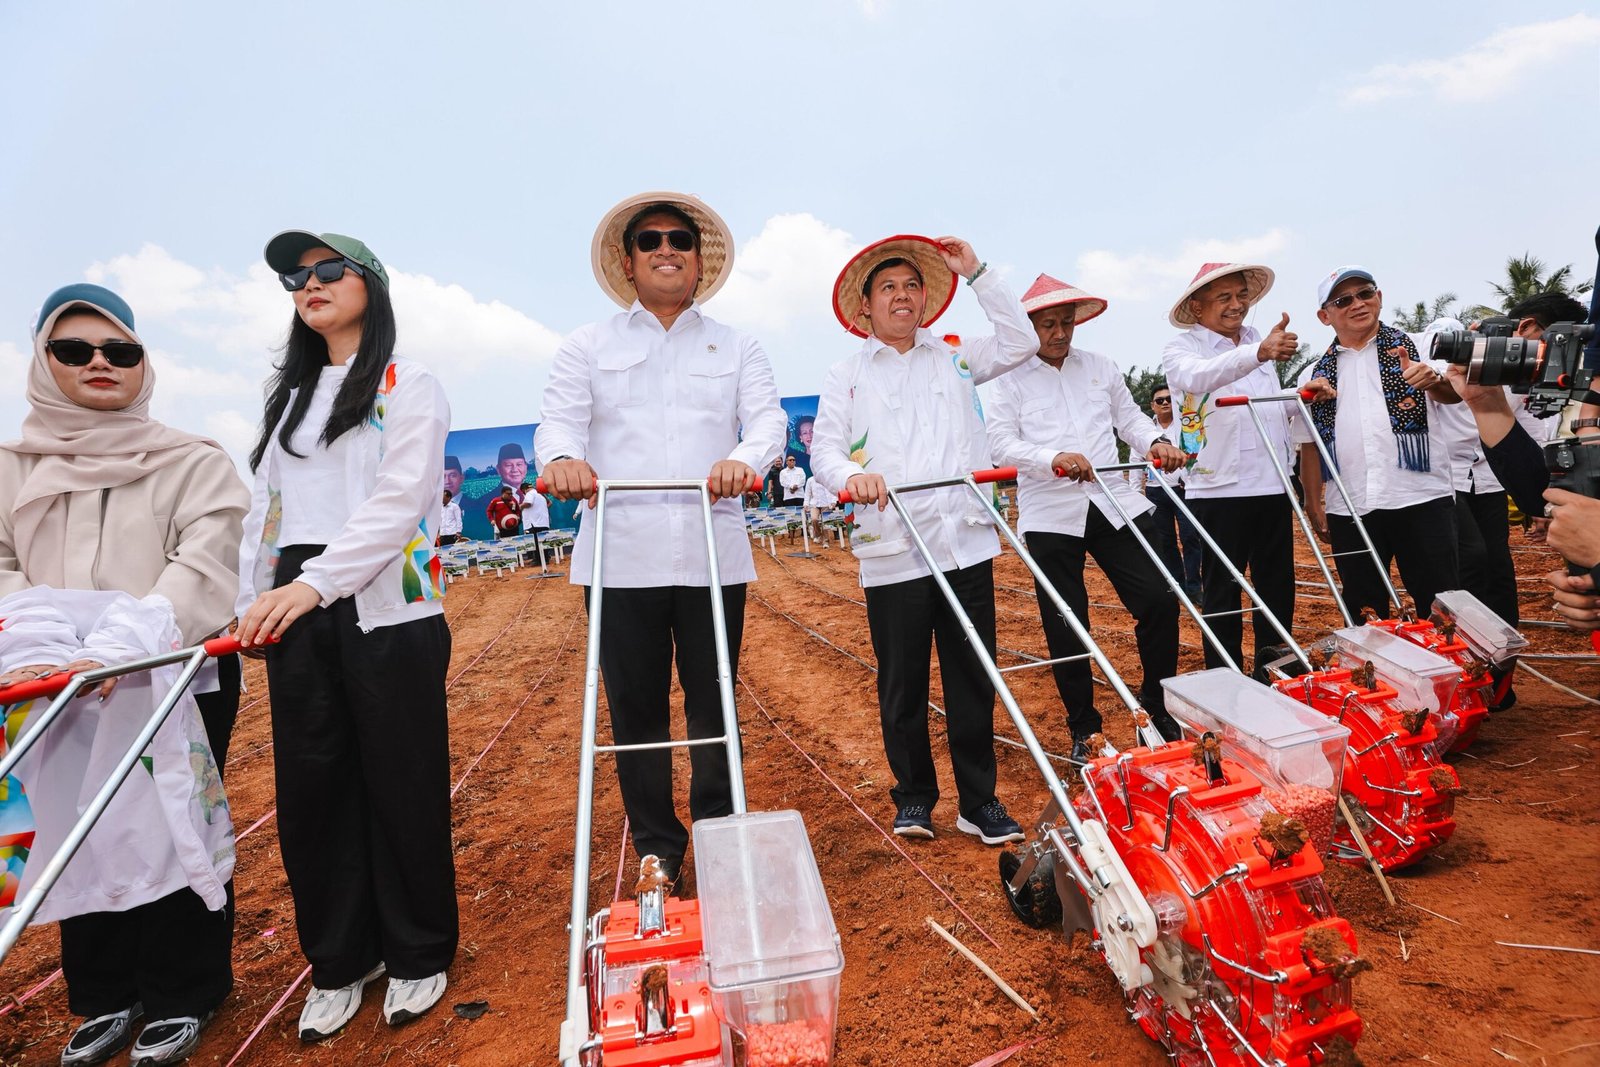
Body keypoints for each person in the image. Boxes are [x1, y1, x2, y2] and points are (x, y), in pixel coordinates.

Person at [0, 283, 249, 1066]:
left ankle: (186, 987)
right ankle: (105, 992)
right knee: (80, 824)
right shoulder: (10, 468)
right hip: (47, 679)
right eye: (74, 350)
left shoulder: (191, 459)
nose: (100, 363)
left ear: (144, 364)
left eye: (120, 351)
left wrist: (121, 646)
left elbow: (203, 565)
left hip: (165, 664)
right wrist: (33, 646)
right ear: (45, 363)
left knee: (170, 817)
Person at [236, 229, 456, 1041]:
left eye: (331, 269)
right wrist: (251, 599)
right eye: (298, 275)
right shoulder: (286, 394)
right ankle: (339, 961)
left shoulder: (409, 381)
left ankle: (419, 950)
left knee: (401, 779)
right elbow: (267, 508)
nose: (311, 283)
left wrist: (314, 582)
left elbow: (402, 502)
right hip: (297, 607)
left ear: (372, 282)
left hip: (385, 603)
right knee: (313, 788)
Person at [537, 192, 785, 887]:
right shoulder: (586, 345)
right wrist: (562, 458)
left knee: (714, 702)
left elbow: (767, 423)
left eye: (680, 238)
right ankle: (658, 848)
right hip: (620, 556)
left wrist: (748, 458)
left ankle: (721, 834)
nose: (666, 249)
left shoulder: (738, 345)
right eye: (651, 240)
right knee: (636, 713)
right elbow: (558, 422)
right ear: (628, 259)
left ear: (700, 259)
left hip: (713, 552)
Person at [812, 234, 1034, 845]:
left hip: (962, 540)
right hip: (892, 548)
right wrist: (852, 476)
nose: (902, 296)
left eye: (912, 285)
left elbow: (1023, 340)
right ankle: (914, 798)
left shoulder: (957, 356)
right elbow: (824, 449)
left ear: (929, 299)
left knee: (971, 677)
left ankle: (979, 803)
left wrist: (979, 271)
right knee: (902, 683)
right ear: (866, 307)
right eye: (888, 287)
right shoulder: (846, 374)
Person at [987, 275, 1185, 761]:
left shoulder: (1100, 367)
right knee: (1066, 621)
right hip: (1050, 511)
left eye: (1066, 322)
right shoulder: (1006, 378)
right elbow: (1000, 443)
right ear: (1028, 326)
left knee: (1160, 600)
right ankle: (1085, 727)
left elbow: (1131, 420)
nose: (1059, 332)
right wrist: (1053, 455)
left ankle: (1157, 707)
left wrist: (1154, 443)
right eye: (1049, 324)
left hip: (1113, 500)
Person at [1295, 267, 1461, 621]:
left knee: (1439, 604)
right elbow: (1310, 443)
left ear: (1379, 298)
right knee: (1364, 608)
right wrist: (1313, 503)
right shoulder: (1313, 373)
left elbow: (1453, 397)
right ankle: (1375, 676)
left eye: (1365, 293)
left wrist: (1432, 380)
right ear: (1325, 316)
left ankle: (1449, 675)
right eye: (1344, 300)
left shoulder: (1417, 346)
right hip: (1350, 504)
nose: (1358, 304)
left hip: (1421, 498)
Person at [1161, 262, 1299, 672]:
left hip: (1272, 483)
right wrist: (1257, 354)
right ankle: (1225, 675)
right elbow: (1199, 380)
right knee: (1223, 588)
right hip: (1219, 487)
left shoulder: (1259, 342)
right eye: (1224, 298)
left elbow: (1263, 406)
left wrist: (1301, 395)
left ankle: (1277, 673)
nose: (1236, 305)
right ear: (1198, 306)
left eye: (1241, 296)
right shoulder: (1183, 350)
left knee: (1277, 586)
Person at [1138, 382, 1204, 598]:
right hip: (1156, 492)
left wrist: (1192, 479)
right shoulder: (1145, 430)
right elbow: (1135, 460)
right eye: (1160, 400)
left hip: (1183, 490)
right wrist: (1136, 492)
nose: (1165, 402)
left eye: (1168, 399)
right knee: (1165, 541)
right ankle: (1177, 586)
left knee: (1190, 537)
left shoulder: (1186, 425)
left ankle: (1194, 587)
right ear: (1152, 405)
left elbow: (1197, 454)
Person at [803, 470, 833, 545]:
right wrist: (806, 503)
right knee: (814, 519)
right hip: (814, 504)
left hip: (826, 503)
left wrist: (834, 501)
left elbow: (832, 490)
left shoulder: (826, 479)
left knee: (825, 522)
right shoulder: (810, 480)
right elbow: (807, 493)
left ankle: (826, 541)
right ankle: (818, 535)